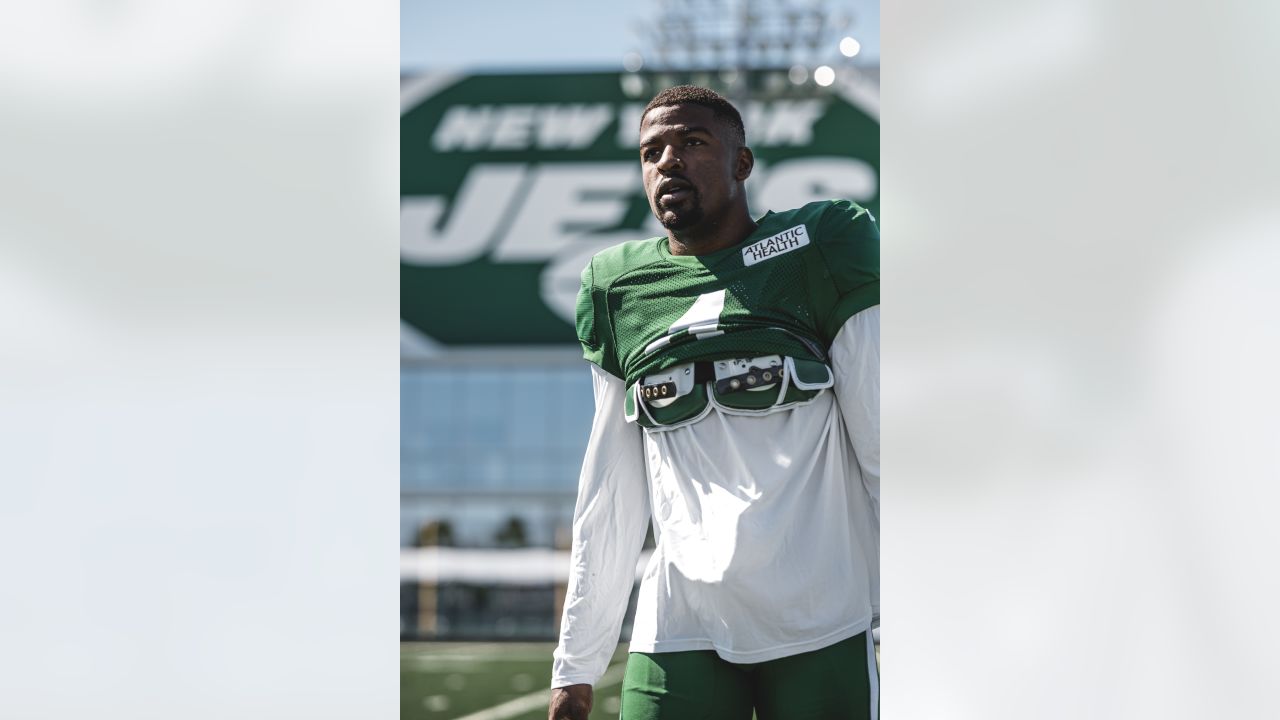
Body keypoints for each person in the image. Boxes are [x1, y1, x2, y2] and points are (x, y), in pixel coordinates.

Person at [548, 85, 879, 720]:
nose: (667, 161)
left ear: (742, 164)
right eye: (652, 151)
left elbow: (883, 444)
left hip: (819, 616)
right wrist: (577, 662)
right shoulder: (618, 288)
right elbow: (609, 490)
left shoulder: (820, 248)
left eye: (693, 142)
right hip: (680, 621)